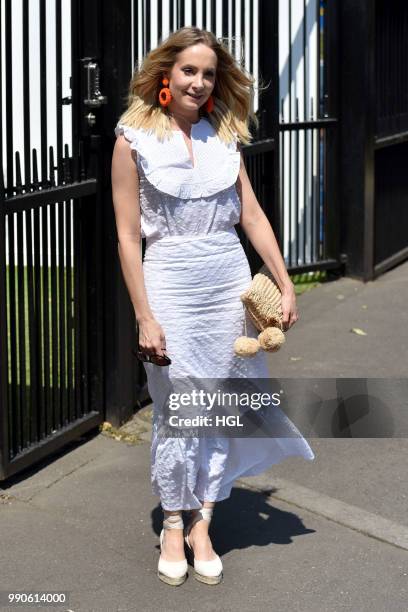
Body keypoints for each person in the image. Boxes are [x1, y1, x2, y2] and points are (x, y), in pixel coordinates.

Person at [111, 26, 315, 587]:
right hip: (171, 284)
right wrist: (144, 315)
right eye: (189, 71)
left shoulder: (223, 136)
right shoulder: (132, 140)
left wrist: (284, 280)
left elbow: (250, 215)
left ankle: (204, 518)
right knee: (179, 408)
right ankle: (172, 522)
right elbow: (129, 237)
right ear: (164, 77)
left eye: (208, 73)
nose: (199, 82)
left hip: (227, 281)